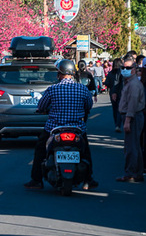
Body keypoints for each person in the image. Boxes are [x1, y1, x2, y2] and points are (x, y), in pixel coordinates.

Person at [25, 59, 96, 190]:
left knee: (40, 149)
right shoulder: (82, 89)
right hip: (77, 128)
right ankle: (88, 179)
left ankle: (36, 180)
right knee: (85, 151)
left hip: (54, 128)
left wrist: (43, 110)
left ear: (59, 73)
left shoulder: (53, 89)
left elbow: (41, 106)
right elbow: (89, 106)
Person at [117, 58, 145, 182]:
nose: (125, 70)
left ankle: (131, 173)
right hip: (132, 116)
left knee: (131, 147)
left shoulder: (134, 84)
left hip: (133, 117)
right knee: (134, 146)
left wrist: (128, 120)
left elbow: (132, 104)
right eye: (123, 68)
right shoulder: (128, 82)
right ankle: (137, 172)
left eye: (128, 68)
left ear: (134, 70)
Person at [105, 58, 124, 132]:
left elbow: (107, 83)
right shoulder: (121, 72)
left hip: (112, 92)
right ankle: (118, 125)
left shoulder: (110, 73)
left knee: (115, 109)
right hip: (121, 92)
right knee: (120, 108)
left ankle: (116, 123)